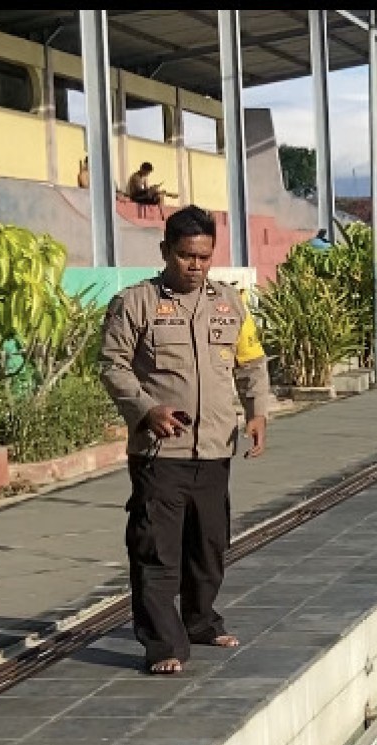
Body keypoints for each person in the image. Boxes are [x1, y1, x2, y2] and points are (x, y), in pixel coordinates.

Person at [99, 205, 271, 675]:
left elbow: (250, 363)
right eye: (185, 256)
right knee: (158, 552)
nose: (194, 266)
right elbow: (112, 365)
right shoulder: (137, 303)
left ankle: (199, 621)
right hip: (161, 453)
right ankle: (163, 644)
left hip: (215, 449)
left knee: (209, 548)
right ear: (165, 252)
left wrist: (257, 413)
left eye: (203, 257)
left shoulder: (229, 303)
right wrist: (145, 410)